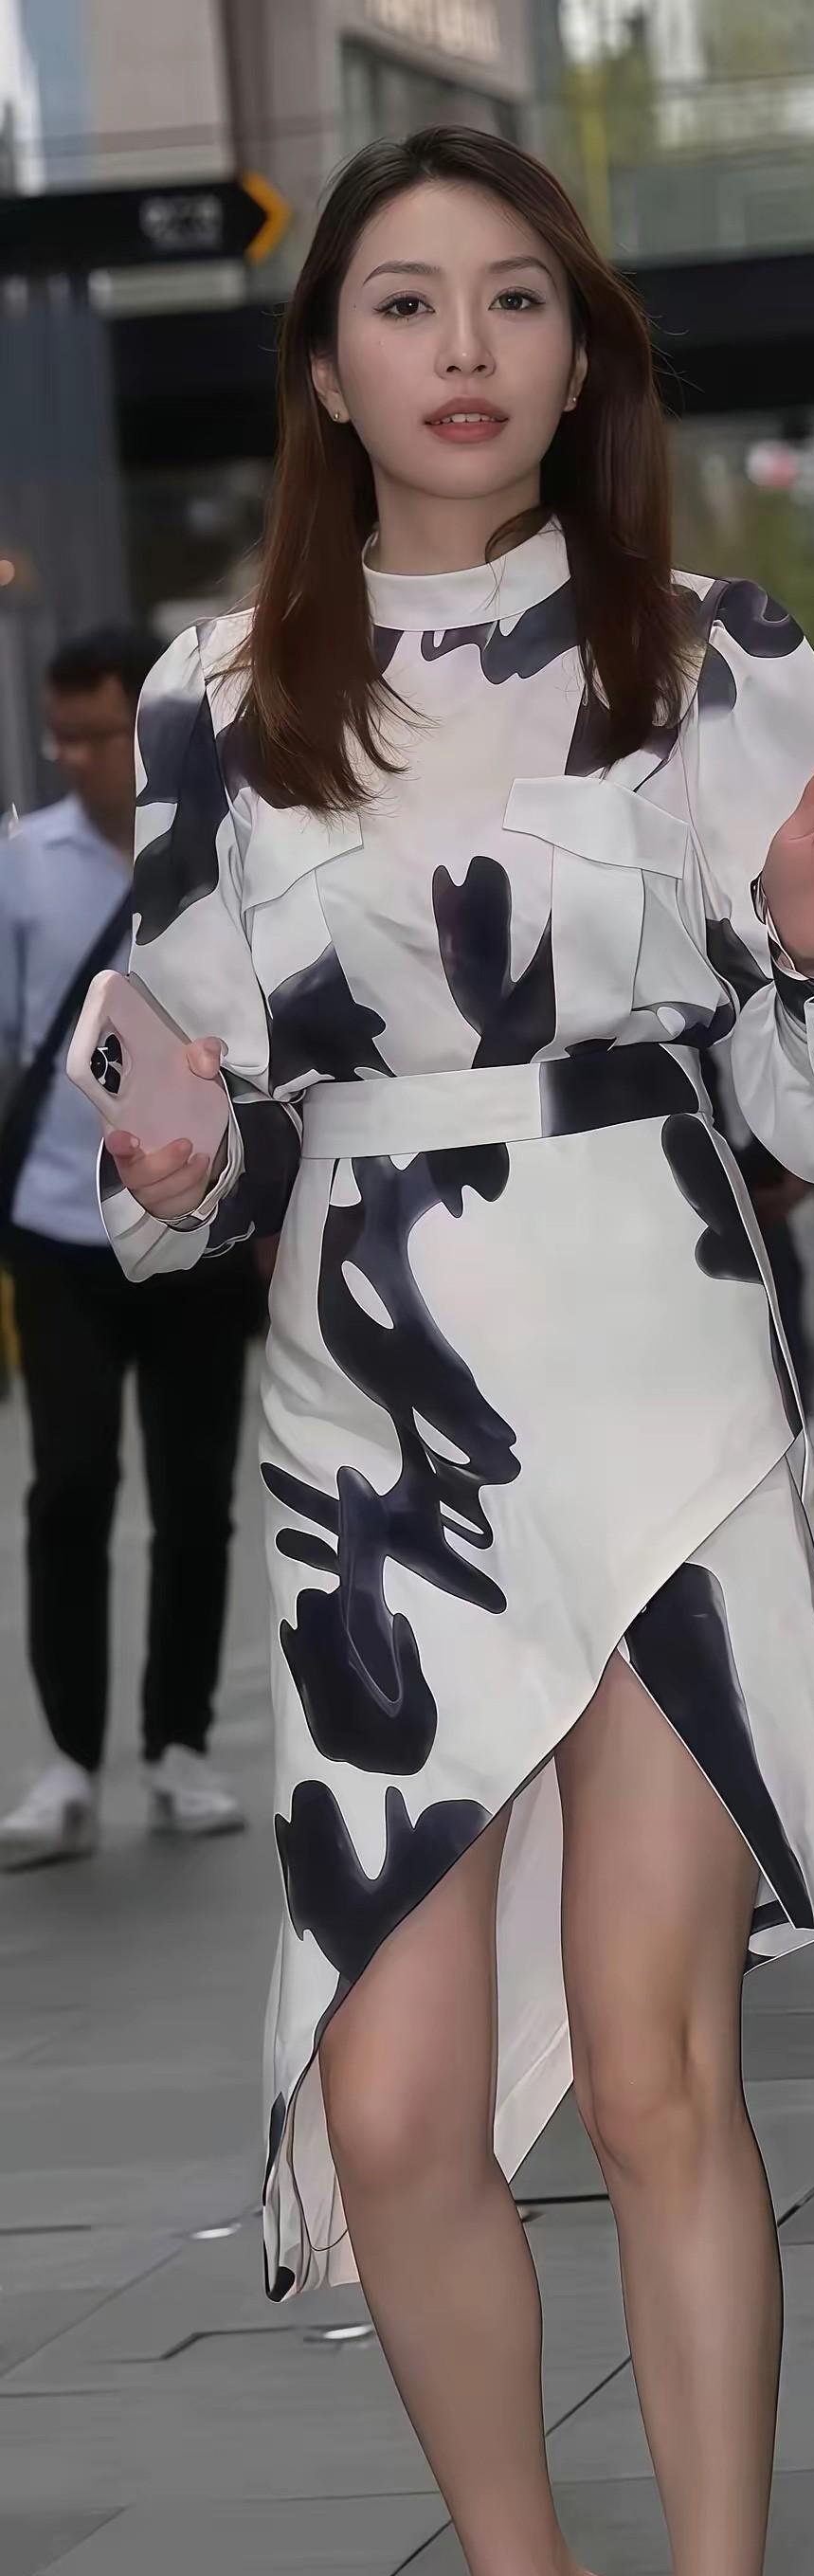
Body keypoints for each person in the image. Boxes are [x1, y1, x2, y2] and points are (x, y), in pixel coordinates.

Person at [99, 131, 814, 2576]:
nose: (462, 347)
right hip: (377, 1421)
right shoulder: (216, 701)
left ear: (580, 358)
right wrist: (173, 1153)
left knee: (653, 2077)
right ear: (326, 368)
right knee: (387, 2113)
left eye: (513, 299)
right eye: (402, 301)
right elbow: (183, 1122)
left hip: (659, 1380)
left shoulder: (709, 659)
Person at [0, 626, 250, 1871]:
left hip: (196, 1213)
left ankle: (180, 1743)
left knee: (195, 1492)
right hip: (59, 1225)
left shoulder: (225, 849)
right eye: (64, 738)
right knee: (69, 1484)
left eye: (100, 734)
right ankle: (66, 1761)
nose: (79, 757)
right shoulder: (22, 865)